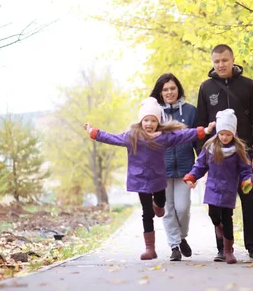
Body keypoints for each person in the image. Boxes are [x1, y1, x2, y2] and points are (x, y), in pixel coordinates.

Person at [83, 97, 215, 261]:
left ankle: (158, 205)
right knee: (147, 213)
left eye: (153, 120)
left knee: (160, 203)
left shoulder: (163, 137)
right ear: (141, 121)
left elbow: (182, 135)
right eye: (146, 120)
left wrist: (204, 131)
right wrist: (94, 132)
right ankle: (150, 248)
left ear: (158, 122)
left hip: (159, 178)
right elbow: (112, 138)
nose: (149, 124)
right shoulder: (132, 136)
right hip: (140, 180)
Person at [196, 44, 253, 261]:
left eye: (224, 60)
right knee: (218, 204)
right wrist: (203, 157)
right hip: (217, 158)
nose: (221, 65)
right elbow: (200, 123)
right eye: (216, 61)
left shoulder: (248, 86)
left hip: (244, 155)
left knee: (249, 202)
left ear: (233, 59)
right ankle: (222, 248)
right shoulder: (206, 88)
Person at [183, 109, 253, 264]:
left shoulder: (238, 150)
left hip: (228, 189)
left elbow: (246, 169)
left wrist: (247, 180)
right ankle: (221, 234)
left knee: (227, 218)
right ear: (217, 132)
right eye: (222, 134)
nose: (224, 137)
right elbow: (200, 165)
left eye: (228, 134)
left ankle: (227, 250)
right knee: (214, 216)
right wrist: (192, 176)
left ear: (234, 133)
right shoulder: (210, 148)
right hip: (213, 187)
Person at [150, 73, 197, 261]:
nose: (169, 92)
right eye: (165, 89)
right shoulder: (154, 114)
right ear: (160, 93)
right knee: (168, 209)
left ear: (178, 89)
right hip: (161, 169)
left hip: (186, 167)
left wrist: (201, 165)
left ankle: (182, 237)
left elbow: (196, 138)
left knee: (183, 208)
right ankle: (174, 245)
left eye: (172, 88)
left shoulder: (191, 111)